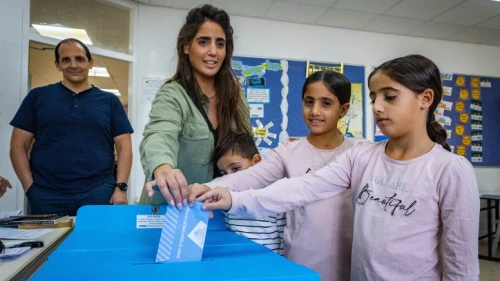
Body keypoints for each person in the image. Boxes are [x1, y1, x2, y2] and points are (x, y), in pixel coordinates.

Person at [197, 55, 480, 280]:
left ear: (425, 99)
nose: (377, 107)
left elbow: (460, 262)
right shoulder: (363, 155)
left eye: (389, 97)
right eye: (373, 98)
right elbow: (302, 188)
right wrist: (231, 197)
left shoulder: (451, 170)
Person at [189, 70, 356, 281]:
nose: (315, 111)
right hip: (298, 262)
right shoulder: (288, 152)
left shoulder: (358, 152)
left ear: (343, 109)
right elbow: (249, 177)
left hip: (346, 263)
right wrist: (209, 187)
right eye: (309, 101)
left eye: (326, 103)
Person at [139, 4, 252, 209]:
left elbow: (247, 150)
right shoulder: (173, 94)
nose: (213, 52)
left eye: (220, 44)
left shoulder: (236, 98)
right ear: (186, 47)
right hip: (171, 210)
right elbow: (159, 134)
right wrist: (163, 167)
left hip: (217, 210)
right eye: (203, 42)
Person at [10, 38, 133, 216]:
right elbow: (17, 146)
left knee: (96, 243)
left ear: (90, 63)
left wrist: (120, 188)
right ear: (57, 65)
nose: (73, 65)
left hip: (98, 192)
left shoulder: (110, 102)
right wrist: (30, 188)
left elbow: (124, 148)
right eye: (66, 60)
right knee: (50, 244)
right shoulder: (37, 97)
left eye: (80, 59)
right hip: (47, 194)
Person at [212, 131, 285, 255]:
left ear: (256, 161)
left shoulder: (274, 194)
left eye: (235, 168)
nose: (229, 177)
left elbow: (284, 238)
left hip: (270, 267)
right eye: (224, 173)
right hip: (238, 264)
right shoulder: (226, 198)